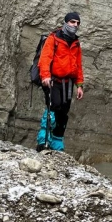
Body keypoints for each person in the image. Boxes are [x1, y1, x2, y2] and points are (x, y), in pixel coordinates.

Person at [36, 12, 84, 152]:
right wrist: (45, 76)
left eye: (77, 23)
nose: (75, 25)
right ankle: (43, 140)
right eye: (72, 22)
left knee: (63, 112)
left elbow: (78, 65)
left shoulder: (76, 42)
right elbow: (45, 58)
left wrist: (79, 85)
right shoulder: (54, 38)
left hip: (68, 83)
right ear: (66, 22)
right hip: (53, 81)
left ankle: (57, 144)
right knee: (53, 107)